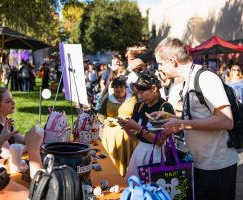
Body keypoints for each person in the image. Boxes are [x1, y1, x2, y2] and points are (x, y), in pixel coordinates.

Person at [152, 37, 238, 200]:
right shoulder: (188, 80)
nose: (159, 68)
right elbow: (199, 117)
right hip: (200, 164)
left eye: (160, 64)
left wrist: (182, 124)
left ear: (172, 61)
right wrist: (170, 117)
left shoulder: (205, 78)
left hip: (216, 167)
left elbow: (226, 121)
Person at [117, 71, 174, 181]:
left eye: (142, 92)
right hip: (139, 153)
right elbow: (136, 139)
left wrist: (138, 128)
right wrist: (126, 127)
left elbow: (160, 142)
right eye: (137, 93)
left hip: (156, 156)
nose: (139, 96)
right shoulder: (139, 106)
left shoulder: (165, 108)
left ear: (153, 88)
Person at [98, 76, 137, 176]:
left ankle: (128, 177)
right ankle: (113, 177)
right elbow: (100, 115)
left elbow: (138, 114)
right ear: (113, 89)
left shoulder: (133, 99)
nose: (119, 89)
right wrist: (106, 120)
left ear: (125, 87)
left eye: (121, 87)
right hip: (112, 136)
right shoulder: (108, 100)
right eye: (116, 87)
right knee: (113, 158)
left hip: (130, 136)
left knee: (129, 158)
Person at [0, 87, 25, 158]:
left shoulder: (6, 121)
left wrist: (35, 135)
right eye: (8, 101)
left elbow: (19, 139)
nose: (13, 103)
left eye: (12, 99)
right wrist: (31, 146)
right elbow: (8, 154)